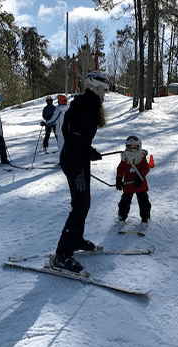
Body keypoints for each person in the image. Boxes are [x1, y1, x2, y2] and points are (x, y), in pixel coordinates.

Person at [50, 70, 110, 273]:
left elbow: (77, 137)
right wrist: (86, 151)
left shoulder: (87, 104)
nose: (105, 95)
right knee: (79, 206)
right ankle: (62, 255)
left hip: (79, 159)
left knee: (84, 204)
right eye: (104, 90)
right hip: (74, 162)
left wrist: (89, 151)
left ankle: (75, 239)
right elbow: (73, 137)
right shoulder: (85, 106)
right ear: (96, 87)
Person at [116, 136, 151, 225]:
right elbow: (120, 168)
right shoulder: (125, 156)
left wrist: (141, 176)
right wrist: (119, 178)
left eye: (134, 146)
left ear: (138, 146)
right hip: (128, 183)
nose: (132, 148)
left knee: (143, 201)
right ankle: (122, 216)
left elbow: (146, 167)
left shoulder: (141, 156)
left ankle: (145, 217)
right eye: (130, 146)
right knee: (125, 201)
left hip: (140, 183)